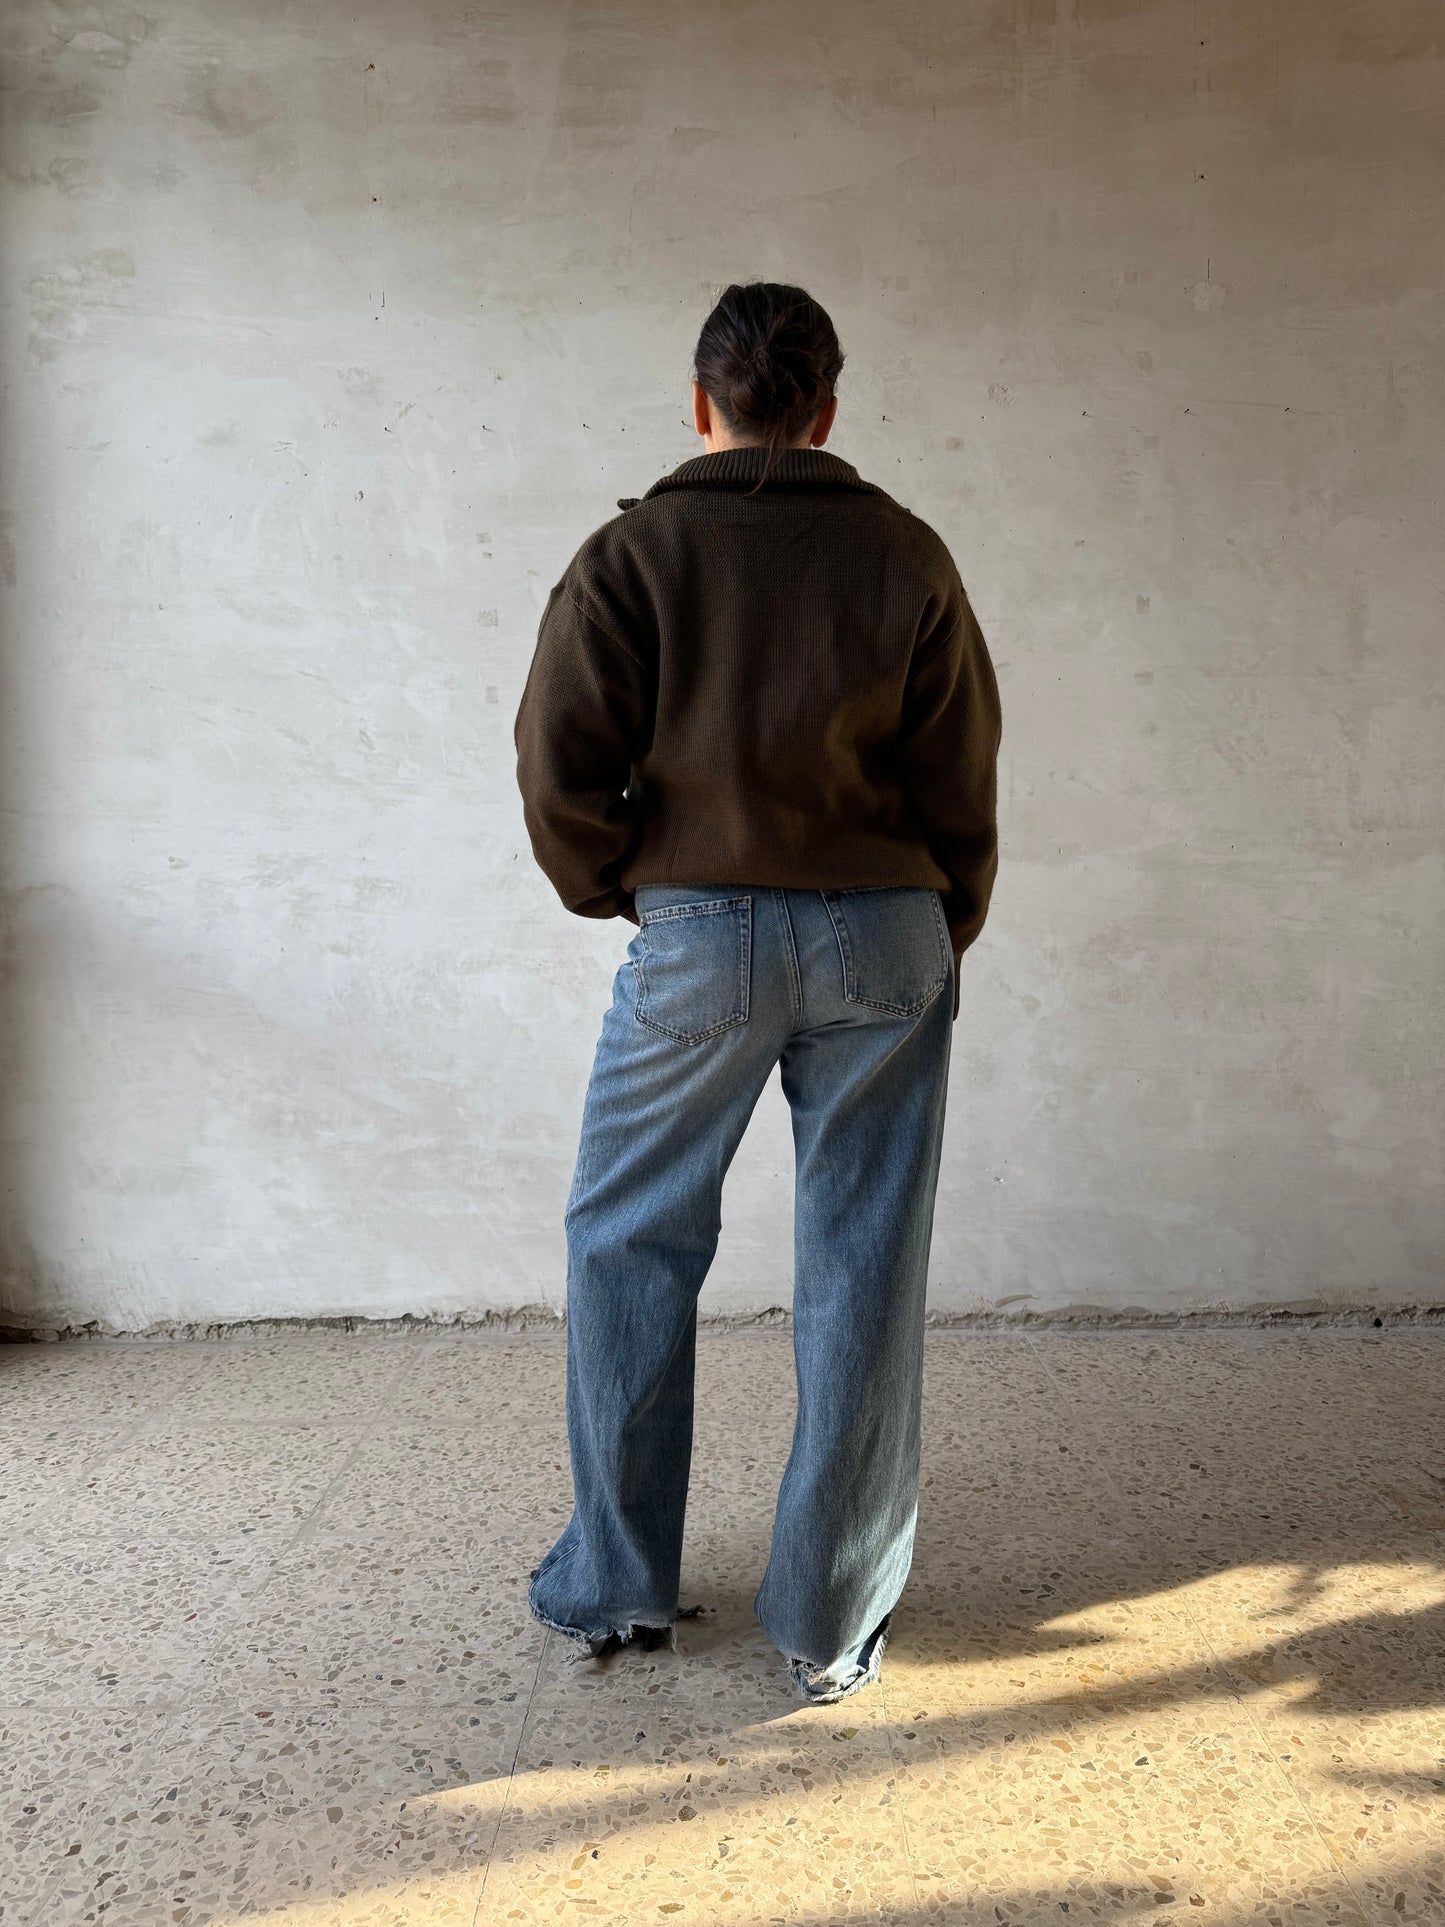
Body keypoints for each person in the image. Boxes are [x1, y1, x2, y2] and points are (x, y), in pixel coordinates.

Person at [512, 280, 1002, 1704]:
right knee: (863, 1260)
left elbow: (558, 773)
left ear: (698, 398)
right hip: (885, 933)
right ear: (827, 409)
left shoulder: (631, 552)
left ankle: (614, 1583)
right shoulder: (905, 553)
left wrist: (642, 893)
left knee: (628, 1241)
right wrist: (934, 924)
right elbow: (958, 771)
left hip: (699, 932)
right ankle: (829, 1618)